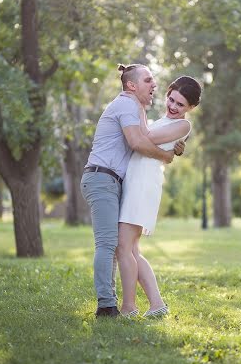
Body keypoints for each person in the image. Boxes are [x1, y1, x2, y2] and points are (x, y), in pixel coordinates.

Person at [80, 64, 185, 318]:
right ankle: (107, 306)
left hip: (114, 181)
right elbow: (137, 142)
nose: (154, 85)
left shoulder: (136, 108)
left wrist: (173, 145)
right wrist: (168, 156)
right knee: (108, 245)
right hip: (102, 178)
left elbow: (149, 136)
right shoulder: (127, 104)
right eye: (148, 80)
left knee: (125, 248)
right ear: (132, 85)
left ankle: (148, 304)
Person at [117, 76, 202, 318]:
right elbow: (145, 138)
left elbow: (146, 139)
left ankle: (129, 308)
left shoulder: (183, 126)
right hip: (135, 181)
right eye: (171, 99)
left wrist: (137, 103)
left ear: (191, 108)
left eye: (181, 105)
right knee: (130, 248)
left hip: (144, 184)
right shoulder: (162, 120)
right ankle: (156, 305)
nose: (173, 106)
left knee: (125, 246)